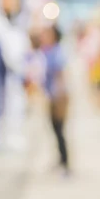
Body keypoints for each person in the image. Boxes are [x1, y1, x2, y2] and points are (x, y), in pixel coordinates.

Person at [39, 25, 70, 176]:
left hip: (58, 97)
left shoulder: (56, 52)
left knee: (59, 130)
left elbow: (60, 75)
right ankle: (60, 160)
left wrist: (58, 97)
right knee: (55, 130)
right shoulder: (48, 52)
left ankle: (65, 163)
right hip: (52, 96)